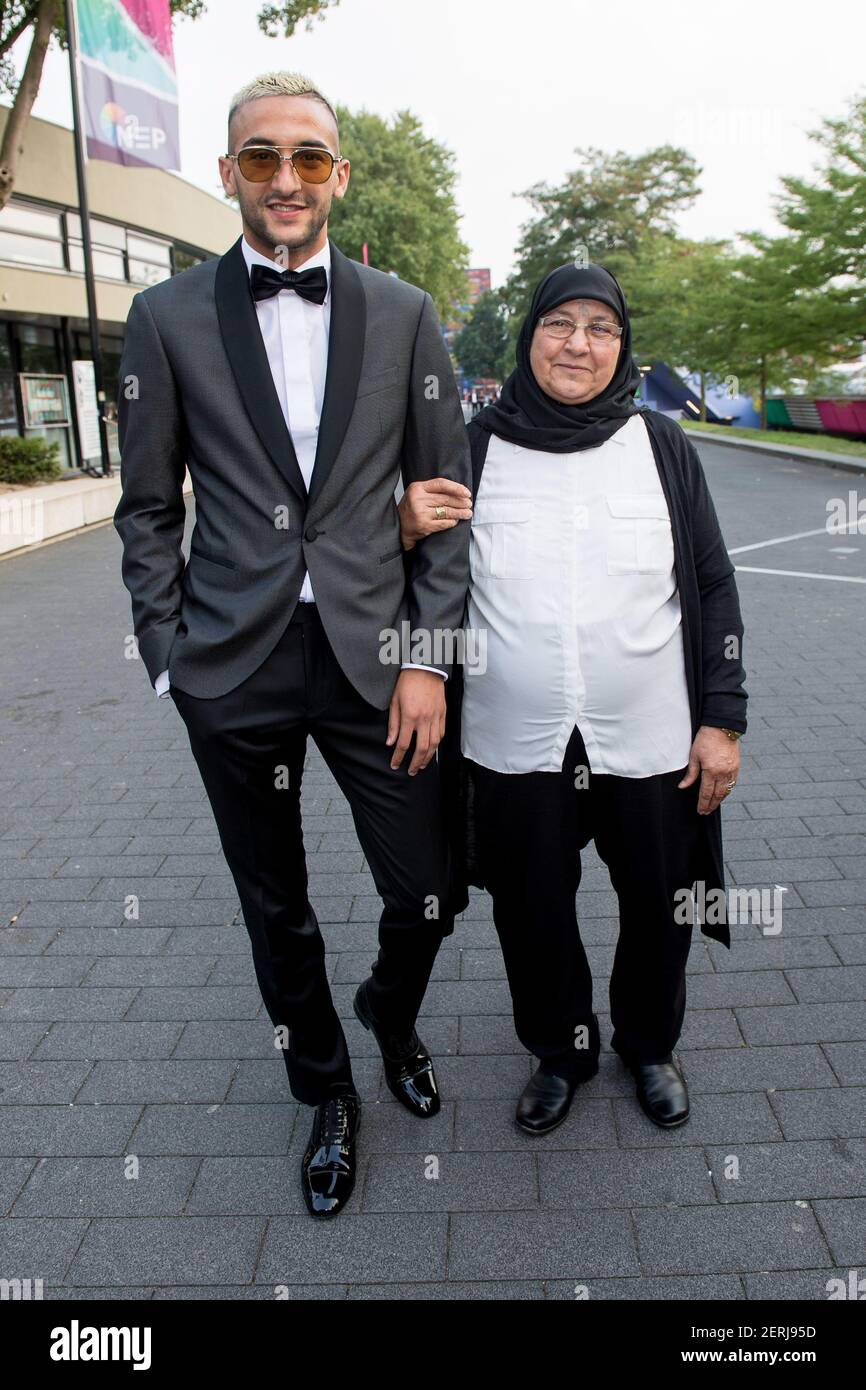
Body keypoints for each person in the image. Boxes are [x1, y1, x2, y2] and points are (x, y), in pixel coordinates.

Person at [113, 70, 471, 1218]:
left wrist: (426, 654)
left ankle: (389, 1012)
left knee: (426, 889)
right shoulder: (164, 317)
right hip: (235, 661)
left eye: (307, 157)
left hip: (379, 656)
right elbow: (146, 508)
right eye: (260, 156)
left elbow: (443, 497)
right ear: (228, 173)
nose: (283, 177)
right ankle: (324, 1090)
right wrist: (169, 654)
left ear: (337, 176)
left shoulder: (406, 311)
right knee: (276, 903)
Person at [398, 261, 747, 1137]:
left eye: (601, 328)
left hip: (652, 731)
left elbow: (710, 582)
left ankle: (648, 1045)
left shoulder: (662, 447)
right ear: (529, 336)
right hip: (517, 738)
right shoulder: (474, 446)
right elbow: (426, 577)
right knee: (533, 908)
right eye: (560, 323)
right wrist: (399, 539)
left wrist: (722, 719)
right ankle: (560, 1050)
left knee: (660, 901)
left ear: (621, 346)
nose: (578, 345)